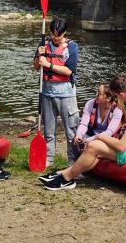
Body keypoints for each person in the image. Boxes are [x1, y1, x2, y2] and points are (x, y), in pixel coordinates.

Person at [38, 72, 126, 191]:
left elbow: (122, 146)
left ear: (122, 95)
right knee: (95, 151)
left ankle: (66, 178)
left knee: (93, 146)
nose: (116, 100)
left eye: (116, 97)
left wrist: (100, 137)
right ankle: (65, 173)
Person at [32, 18, 80, 168]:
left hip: (66, 93)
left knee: (71, 130)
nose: (55, 38)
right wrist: (39, 57)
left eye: (58, 35)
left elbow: (68, 70)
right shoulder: (43, 44)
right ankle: (49, 159)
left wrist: (48, 64)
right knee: (49, 131)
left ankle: (73, 162)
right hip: (47, 92)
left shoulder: (72, 47)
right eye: (53, 35)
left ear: (64, 33)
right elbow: (35, 67)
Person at [73, 83, 126, 151]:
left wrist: (89, 140)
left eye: (99, 94)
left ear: (108, 98)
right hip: (90, 135)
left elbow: (109, 133)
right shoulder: (90, 104)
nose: (96, 95)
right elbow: (84, 124)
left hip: (106, 139)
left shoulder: (117, 111)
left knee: (91, 146)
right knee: (75, 138)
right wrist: (79, 135)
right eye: (97, 91)